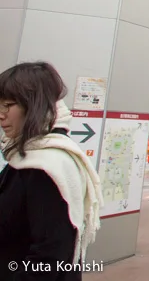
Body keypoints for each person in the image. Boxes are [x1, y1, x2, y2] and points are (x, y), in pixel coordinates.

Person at [0, 62, 102, 280]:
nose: (1, 114)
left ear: (34, 106)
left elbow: (50, 260)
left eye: (8, 105)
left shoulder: (47, 166)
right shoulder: (24, 155)